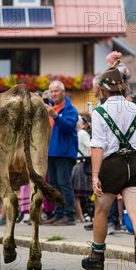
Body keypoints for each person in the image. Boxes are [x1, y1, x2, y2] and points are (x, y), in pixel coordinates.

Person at [82, 65, 136, 270]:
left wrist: (95, 175)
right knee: (134, 210)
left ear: (104, 91)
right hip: (134, 164)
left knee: (101, 211)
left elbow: (97, 146)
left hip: (111, 165)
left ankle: (96, 257)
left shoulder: (100, 112)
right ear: (122, 89)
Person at [43, 80, 79, 226]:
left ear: (63, 92)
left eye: (56, 91)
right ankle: (58, 213)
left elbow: (69, 127)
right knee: (54, 186)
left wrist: (56, 116)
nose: (53, 94)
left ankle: (69, 215)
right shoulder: (50, 108)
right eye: (51, 91)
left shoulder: (70, 110)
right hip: (51, 152)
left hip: (64, 153)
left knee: (64, 184)